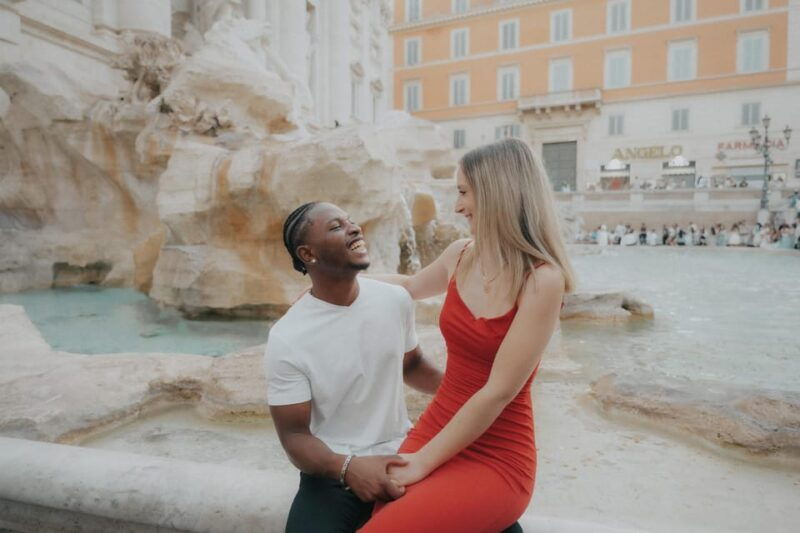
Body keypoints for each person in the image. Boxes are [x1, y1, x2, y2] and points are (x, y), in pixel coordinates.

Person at [359, 139, 574, 532]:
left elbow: (498, 392)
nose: (456, 206)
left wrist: (423, 461)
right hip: (437, 426)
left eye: (463, 192)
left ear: (498, 194)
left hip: (497, 454)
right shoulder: (461, 254)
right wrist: (340, 288)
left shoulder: (543, 280)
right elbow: (407, 286)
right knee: (383, 517)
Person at [266, 202, 445, 533]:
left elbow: (413, 364)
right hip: (333, 474)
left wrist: (472, 394)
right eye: (336, 227)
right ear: (308, 254)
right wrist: (348, 468)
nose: (354, 228)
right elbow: (294, 435)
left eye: (351, 221)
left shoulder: (394, 300)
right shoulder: (287, 337)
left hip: (405, 456)